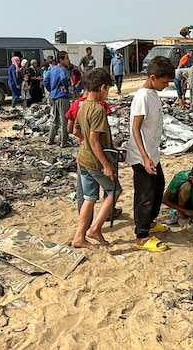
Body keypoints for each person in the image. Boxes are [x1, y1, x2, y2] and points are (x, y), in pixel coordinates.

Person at [127, 56, 176, 252]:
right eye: (164, 82)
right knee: (145, 195)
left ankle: (150, 222)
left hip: (152, 154)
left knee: (158, 188)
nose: (166, 85)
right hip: (142, 156)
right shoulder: (142, 97)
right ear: (153, 77)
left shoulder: (154, 93)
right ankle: (141, 235)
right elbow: (135, 128)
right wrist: (145, 157)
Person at [71, 68, 121, 250]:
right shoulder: (98, 109)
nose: (107, 94)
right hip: (94, 162)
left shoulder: (82, 106)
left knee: (89, 197)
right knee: (114, 191)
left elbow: (76, 131)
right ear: (102, 87)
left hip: (83, 159)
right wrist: (106, 165)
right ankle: (95, 228)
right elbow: (93, 140)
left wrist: (88, 144)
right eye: (107, 89)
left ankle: (79, 237)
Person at [45, 51, 72, 147]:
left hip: (53, 96)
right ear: (61, 60)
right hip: (62, 96)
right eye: (67, 58)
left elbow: (46, 81)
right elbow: (64, 78)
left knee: (55, 119)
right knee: (64, 119)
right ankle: (63, 141)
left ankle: (50, 139)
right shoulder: (62, 69)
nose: (68, 60)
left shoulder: (52, 69)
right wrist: (65, 87)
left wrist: (51, 89)